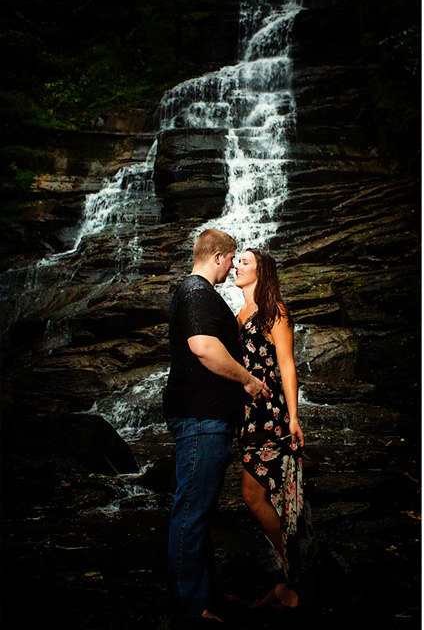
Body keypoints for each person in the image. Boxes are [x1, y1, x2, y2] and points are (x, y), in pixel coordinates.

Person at [163, 228, 271, 624]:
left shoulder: (196, 294)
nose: (232, 267)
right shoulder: (196, 292)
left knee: (198, 511)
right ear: (220, 257)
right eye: (232, 259)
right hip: (200, 417)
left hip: (205, 416)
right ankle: (191, 606)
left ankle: (201, 591)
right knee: (192, 511)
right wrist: (247, 380)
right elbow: (204, 348)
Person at [234, 247, 310, 610]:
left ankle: (295, 579)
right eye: (237, 261)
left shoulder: (274, 311)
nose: (237, 265)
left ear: (261, 272)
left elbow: (287, 364)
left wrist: (294, 418)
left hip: (272, 413)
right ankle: (286, 583)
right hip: (248, 415)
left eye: (244, 262)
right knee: (267, 498)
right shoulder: (239, 315)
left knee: (255, 495)